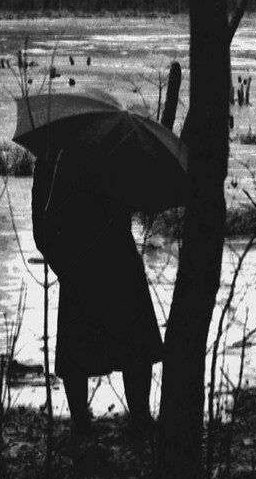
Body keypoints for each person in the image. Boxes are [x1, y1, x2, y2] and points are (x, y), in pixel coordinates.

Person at [32, 145, 163, 437]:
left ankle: (85, 423)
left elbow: (40, 228)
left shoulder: (51, 154)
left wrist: (63, 264)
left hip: (83, 263)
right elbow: (138, 201)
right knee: (132, 346)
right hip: (116, 260)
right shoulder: (116, 149)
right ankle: (138, 419)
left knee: (83, 349)